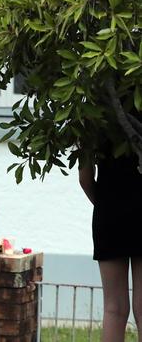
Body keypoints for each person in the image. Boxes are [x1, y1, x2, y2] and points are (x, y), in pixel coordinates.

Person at [80, 146, 142, 342]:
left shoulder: (90, 116)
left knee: (114, 308)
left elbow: (85, 179)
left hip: (110, 210)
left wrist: (107, 207)